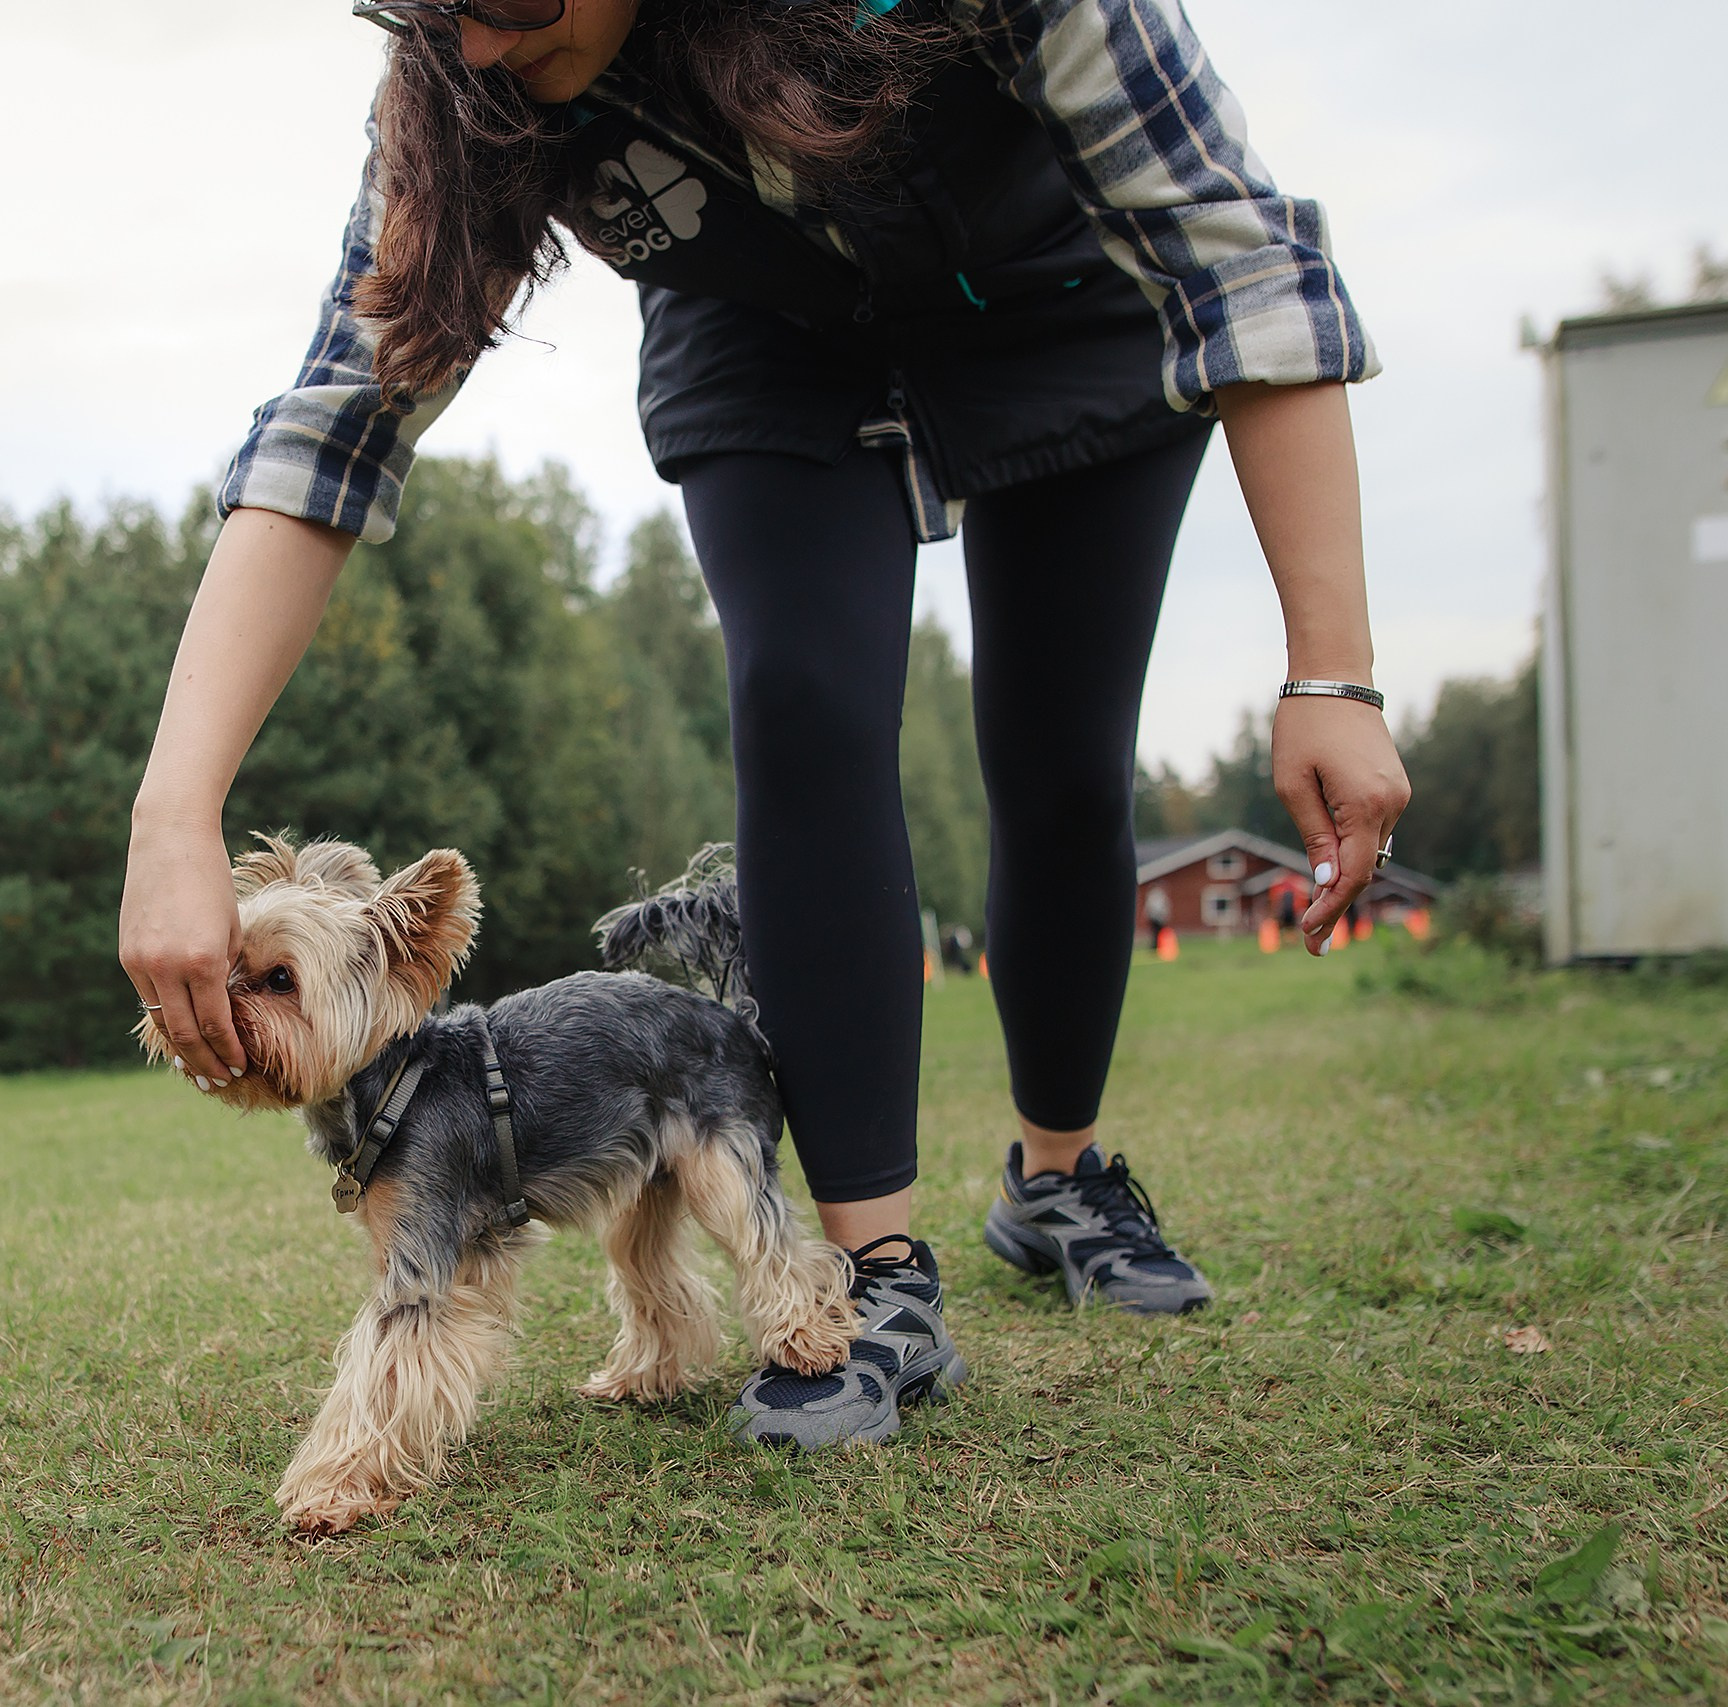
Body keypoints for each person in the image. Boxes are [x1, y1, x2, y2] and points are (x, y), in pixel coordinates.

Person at [119, 0, 1410, 1446]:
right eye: (432, 9)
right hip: (762, 334)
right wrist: (174, 809)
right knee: (799, 697)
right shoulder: (461, 83)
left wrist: (1332, 671)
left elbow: (1240, 248)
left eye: (511, 2)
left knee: (1057, 756)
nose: (474, 49)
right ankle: (874, 1271)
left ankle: (1057, 1173)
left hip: (1055, 287)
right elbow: (337, 419)